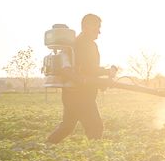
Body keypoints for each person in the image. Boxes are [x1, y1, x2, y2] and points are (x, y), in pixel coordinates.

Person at [47, 14, 117, 143]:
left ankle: (45, 148)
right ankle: (95, 158)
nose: (99, 32)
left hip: (70, 94)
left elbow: (84, 69)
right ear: (87, 27)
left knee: (67, 127)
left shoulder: (75, 44)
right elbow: (88, 69)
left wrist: (102, 77)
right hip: (82, 95)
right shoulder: (87, 45)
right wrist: (107, 71)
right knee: (96, 127)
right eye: (97, 28)